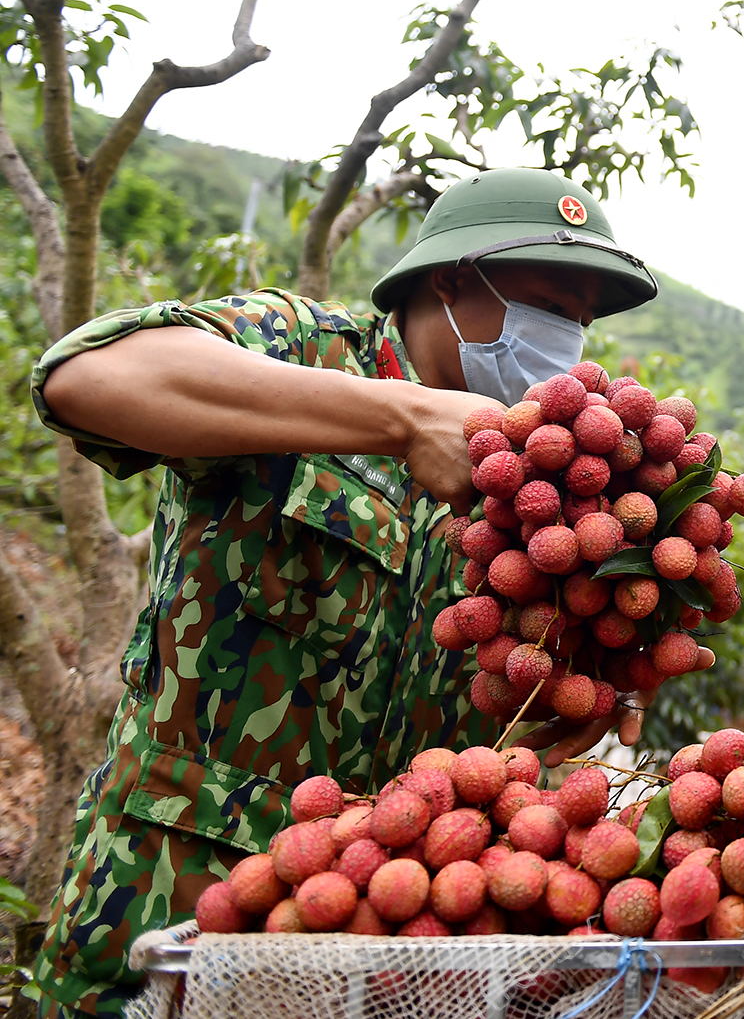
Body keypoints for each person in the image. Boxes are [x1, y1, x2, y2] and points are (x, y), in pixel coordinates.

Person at [29, 167, 698, 1016]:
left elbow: (526, 710)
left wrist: (583, 695)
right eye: (550, 304)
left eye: (582, 322)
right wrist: (401, 416)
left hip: (394, 938)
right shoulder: (298, 346)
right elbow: (83, 378)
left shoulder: (557, 484)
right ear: (453, 280)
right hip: (172, 906)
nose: (566, 338)